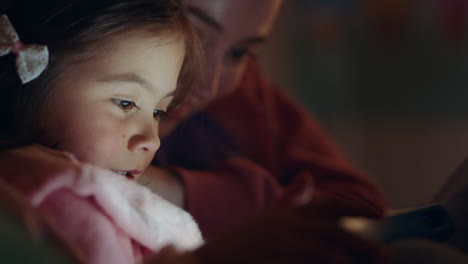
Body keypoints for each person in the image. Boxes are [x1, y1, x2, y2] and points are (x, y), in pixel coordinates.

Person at [139, 0, 389, 237]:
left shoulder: (244, 94)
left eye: (238, 53)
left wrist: (180, 191)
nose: (209, 87)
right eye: (192, 34)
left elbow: (366, 211)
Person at [0, 0, 204, 263]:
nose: (152, 141)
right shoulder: (66, 208)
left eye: (158, 112)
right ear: (32, 82)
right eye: (126, 103)